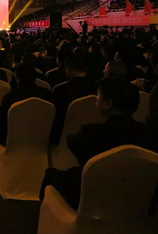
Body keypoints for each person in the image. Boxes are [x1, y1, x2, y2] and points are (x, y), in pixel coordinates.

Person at [39, 77, 152, 210]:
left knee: (51, 175)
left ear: (108, 103)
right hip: (131, 196)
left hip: (92, 191)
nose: (96, 99)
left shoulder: (91, 133)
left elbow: (73, 143)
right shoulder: (146, 133)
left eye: (98, 95)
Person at [0, 64, 52, 147]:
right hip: (41, 137)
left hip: (15, 138)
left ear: (17, 79)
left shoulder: (10, 97)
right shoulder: (47, 94)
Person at [49, 52, 96, 144]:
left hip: (64, 137)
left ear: (68, 69)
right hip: (92, 135)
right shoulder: (96, 88)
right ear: (86, 69)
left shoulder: (60, 90)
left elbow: (56, 117)